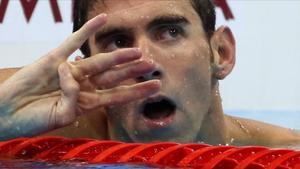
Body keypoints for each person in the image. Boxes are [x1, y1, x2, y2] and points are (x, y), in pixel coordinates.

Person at [0, 0, 299, 147]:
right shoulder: (38, 132)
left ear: (221, 53)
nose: (146, 64)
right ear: (90, 71)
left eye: (170, 32)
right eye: (118, 42)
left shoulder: (285, 153)